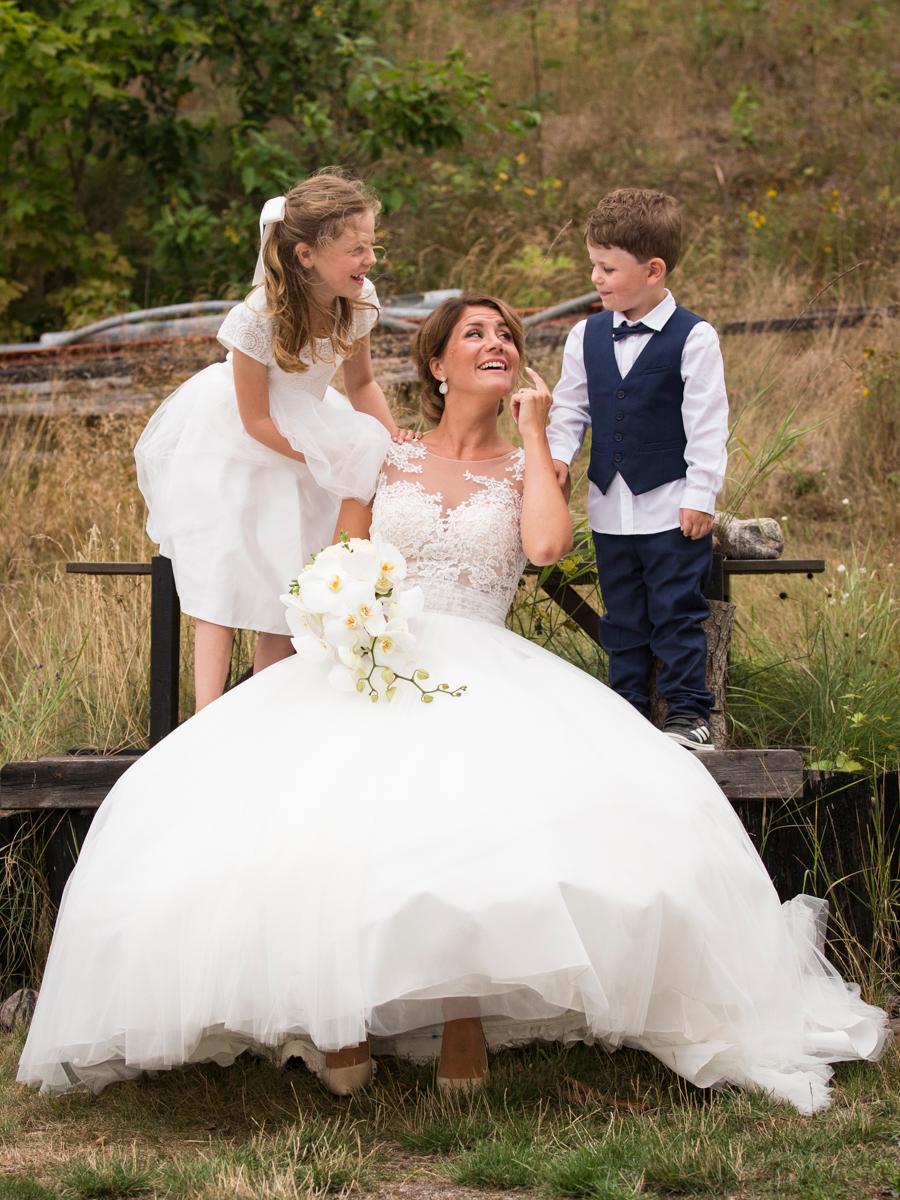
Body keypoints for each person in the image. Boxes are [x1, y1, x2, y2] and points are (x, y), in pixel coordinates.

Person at [19, 297, 885, 1111]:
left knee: (475, 816)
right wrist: (346, 619)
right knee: (326, 810)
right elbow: (342, 552)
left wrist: (539, 435)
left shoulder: (525, 464)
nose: (496, 344)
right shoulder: (382, 452)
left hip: (482, 658)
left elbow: (545, 545)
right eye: (475, 334)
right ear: (436, 363)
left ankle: (465, 1014)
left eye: (506, 334)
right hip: (371, 653)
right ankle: (339, 1015)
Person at [135, 170, 409, 711]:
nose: (370, 260)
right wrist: (323, 454)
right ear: (306, 254)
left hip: (314, 426)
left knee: (291, 572)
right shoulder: (256, 318)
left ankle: (265, 711)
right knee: (228, 569)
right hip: (237, 439)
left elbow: (363, 384)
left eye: (372, 246)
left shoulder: (358, 301)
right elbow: (255, 420)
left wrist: (393, 442)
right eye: (357, 250)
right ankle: (207, 714)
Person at [547, 188, 729, 749]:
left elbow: (707, 422)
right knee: (623, 616)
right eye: (593, 266)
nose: (596, 279)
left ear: (653, 270)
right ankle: (624, 709)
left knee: (676, 613)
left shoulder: (694, 338)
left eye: (607, 268)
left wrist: (701, 493)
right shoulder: (586, 335)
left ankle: (689, 713)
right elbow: (571, 406)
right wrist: (557, 457)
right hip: (609, 506)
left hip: (671, 506)